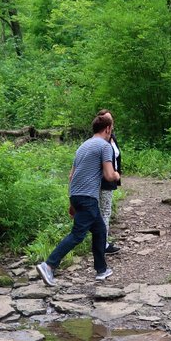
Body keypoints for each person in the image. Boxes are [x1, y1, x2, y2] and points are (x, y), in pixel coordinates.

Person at [35, 112, 119, 286]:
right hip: (88, 197)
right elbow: (109, 175)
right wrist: (117, 175)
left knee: (100, 230)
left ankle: (101, 270)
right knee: (77, 235)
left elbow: (72, 176)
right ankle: (49, 265)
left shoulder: (83, 146)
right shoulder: (104, 146)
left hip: (77, 195)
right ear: (108, 128)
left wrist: (72, 203)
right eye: (112, 128)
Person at [97, 109, 122, 255]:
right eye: (107, 120)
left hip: (111, 177)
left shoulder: (112, 138)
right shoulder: (100, 141)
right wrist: (112, 175)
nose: (110, 124)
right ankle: (103, 244)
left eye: (111, 120)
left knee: (104, 211)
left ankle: (102, 242)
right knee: (104, 212)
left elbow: (116, 157)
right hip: (104, 179)